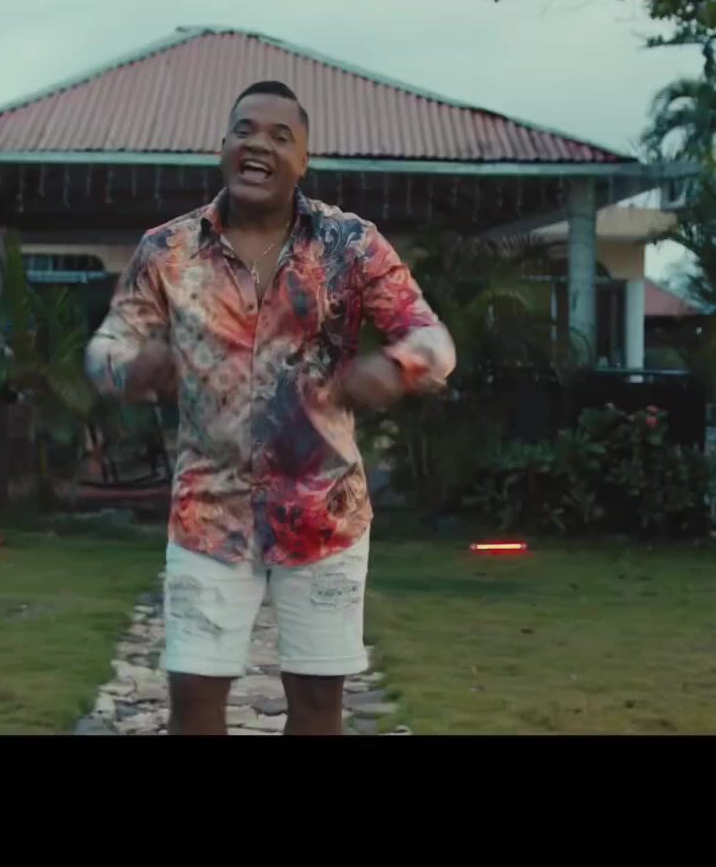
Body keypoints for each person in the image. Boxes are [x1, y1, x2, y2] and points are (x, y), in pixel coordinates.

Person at [85, 81, 457, 736]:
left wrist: (396, 368)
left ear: (303, 160)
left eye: (280, 137)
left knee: (316, 705)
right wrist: (130, 369)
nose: (258, 144)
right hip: (208, 514)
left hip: (324, 515)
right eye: (245, 130)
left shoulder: (351, 245)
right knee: (193, 701)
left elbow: (433, 340)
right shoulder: (167, 250)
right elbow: (106, 346)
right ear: (223, 147)